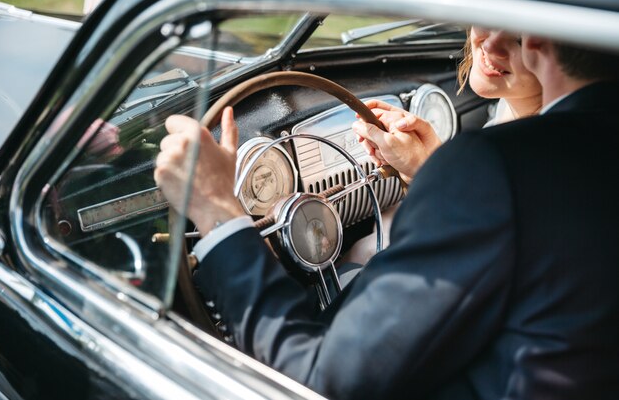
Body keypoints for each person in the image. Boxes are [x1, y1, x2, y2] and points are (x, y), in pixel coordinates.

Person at [154, 33, 619, 399]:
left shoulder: (494, 162)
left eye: (515, 32)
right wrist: (432, 173)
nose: (491, 44)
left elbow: (324, 382)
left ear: (537, 38)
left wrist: (217, 210)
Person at [344, 27, 542, 261]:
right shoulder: (511, 104)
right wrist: (429, 159)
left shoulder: (540, 150)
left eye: (519, 38)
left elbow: (483, 248)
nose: (490, 45)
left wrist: (425, 170)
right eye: (491, 17)